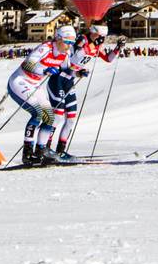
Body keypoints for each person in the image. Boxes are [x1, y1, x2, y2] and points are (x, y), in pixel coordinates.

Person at [44, 24, 126, 161]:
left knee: (70, 118)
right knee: (57, 116)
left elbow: (109, 59)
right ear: (93, 33)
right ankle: (45, 148)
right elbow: (75, 56)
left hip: (69, 81)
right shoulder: (82, 39)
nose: (101, 39)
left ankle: (60, 151)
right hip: (58, 78)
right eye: (99, 36)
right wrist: (94, 45)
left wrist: (118, 47)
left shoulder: (96, 45)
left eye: (103, 37)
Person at [8, 24, 77, 166]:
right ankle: (27, 153)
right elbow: (27, 65)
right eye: (67, 42)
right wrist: (44, 70)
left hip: (35, 84)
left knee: (50, 117)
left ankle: (41, 151)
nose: (69, 46)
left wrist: (78, 72)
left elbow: (66, 70)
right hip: (20, 81)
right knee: (37, 113)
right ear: (58, 39)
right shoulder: (45, 48)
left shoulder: (65, 54)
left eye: (72, 43)